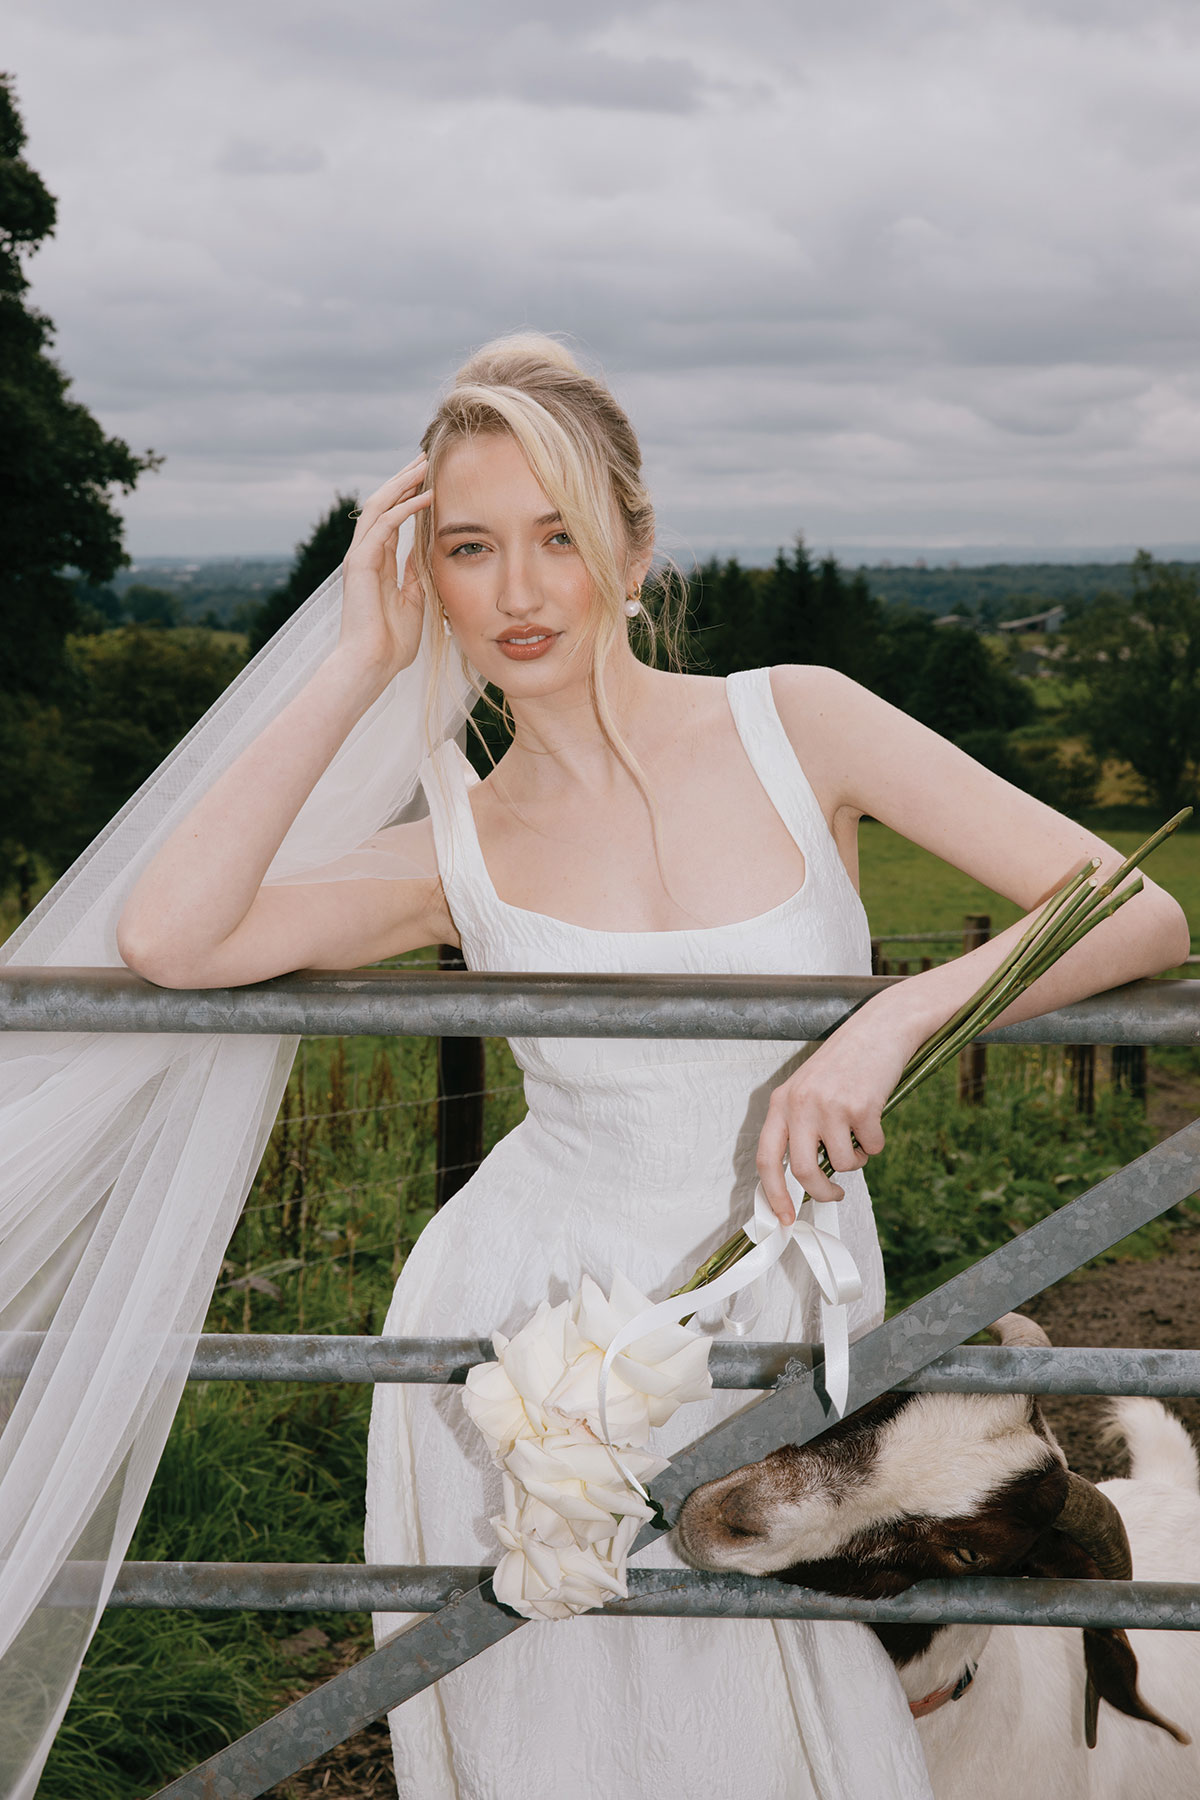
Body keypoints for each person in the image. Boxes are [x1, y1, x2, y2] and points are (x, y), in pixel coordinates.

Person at [117, 336, 1188, 1800]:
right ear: (426, 577)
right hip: (535, 1352)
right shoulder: (456, 844)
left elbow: (1137, 908)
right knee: (569, 1745)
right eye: (469, 548)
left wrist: (888, 1020)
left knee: (791, 1737)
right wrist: (354, 656)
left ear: (635, 547)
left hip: (786, 1320)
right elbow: (172, 938)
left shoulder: (799, 718)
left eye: (559, 534)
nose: (517, 588)